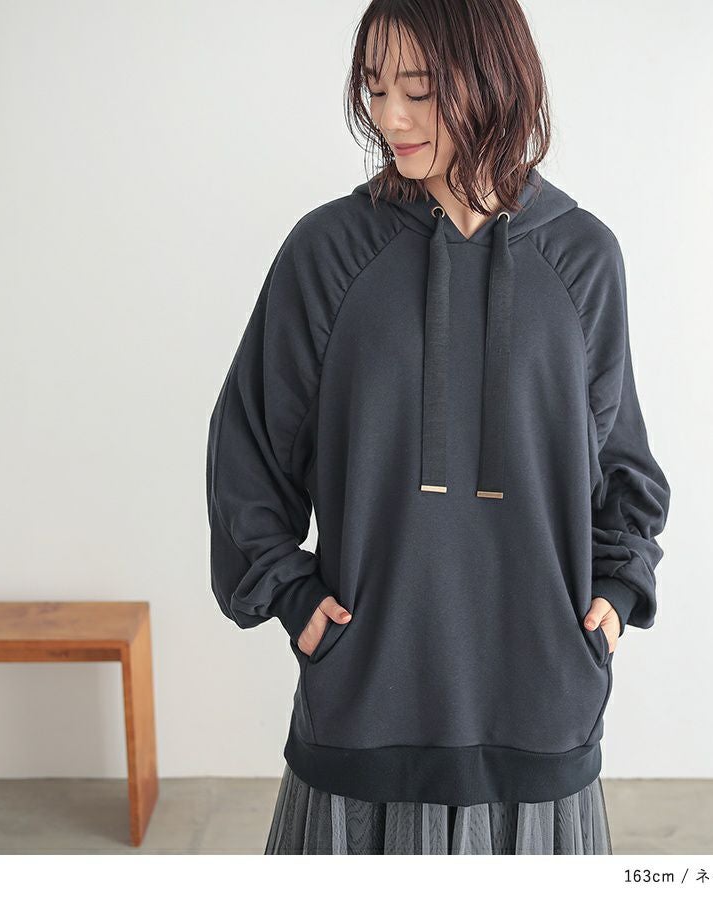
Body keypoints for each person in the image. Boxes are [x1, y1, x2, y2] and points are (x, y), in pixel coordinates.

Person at [206, 0, 671, 855]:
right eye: (375, 89)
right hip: (365, 714)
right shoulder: (327, 253)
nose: (389, 118)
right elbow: (247, 452)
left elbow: (621, 467)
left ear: (493, 80)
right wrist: (293, 598)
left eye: (418, 90)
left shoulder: (582, 259)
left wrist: (614, 598)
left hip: (539, 716)